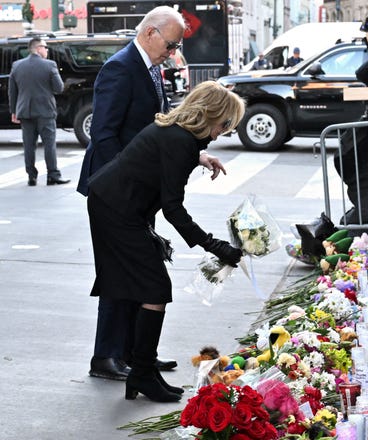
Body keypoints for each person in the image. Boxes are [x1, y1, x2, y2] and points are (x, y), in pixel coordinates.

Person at [77, 6, 225, 382]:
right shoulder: (120, 67)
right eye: (172, 43)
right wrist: (120, 182)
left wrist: (198, 153)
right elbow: (105, 135)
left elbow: (160, 128)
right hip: (116, 191)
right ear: (150, 33)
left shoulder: (151, 68)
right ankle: (108, 356)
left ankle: (136, 353)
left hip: (136, 190)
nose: (173, 52)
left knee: (137, 272)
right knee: (119, 272)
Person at [86, 81, 245, 402]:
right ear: (211, 115)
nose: (223, 133)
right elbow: (173, 208)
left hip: (117, 203)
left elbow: (165, 156)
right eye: (226, 125)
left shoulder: (179, 135)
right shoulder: (180, 141)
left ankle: (140, 367)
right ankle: (142, 372)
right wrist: (215, 246)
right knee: (155, 287)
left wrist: (199, 158)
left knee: (143, 286)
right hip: (117, 208)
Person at [8, 37, 69, 186]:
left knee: (28, 145)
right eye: (46, 48)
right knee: (49, 144)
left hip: (25, 111)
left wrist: (14, 111)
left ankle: (31, 176)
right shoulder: (49, 65)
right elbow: (59, 88)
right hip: (45, 111)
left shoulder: (17, 66)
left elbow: (12, 91)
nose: (47, 51)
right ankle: (52, 175)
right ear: (39, 48)